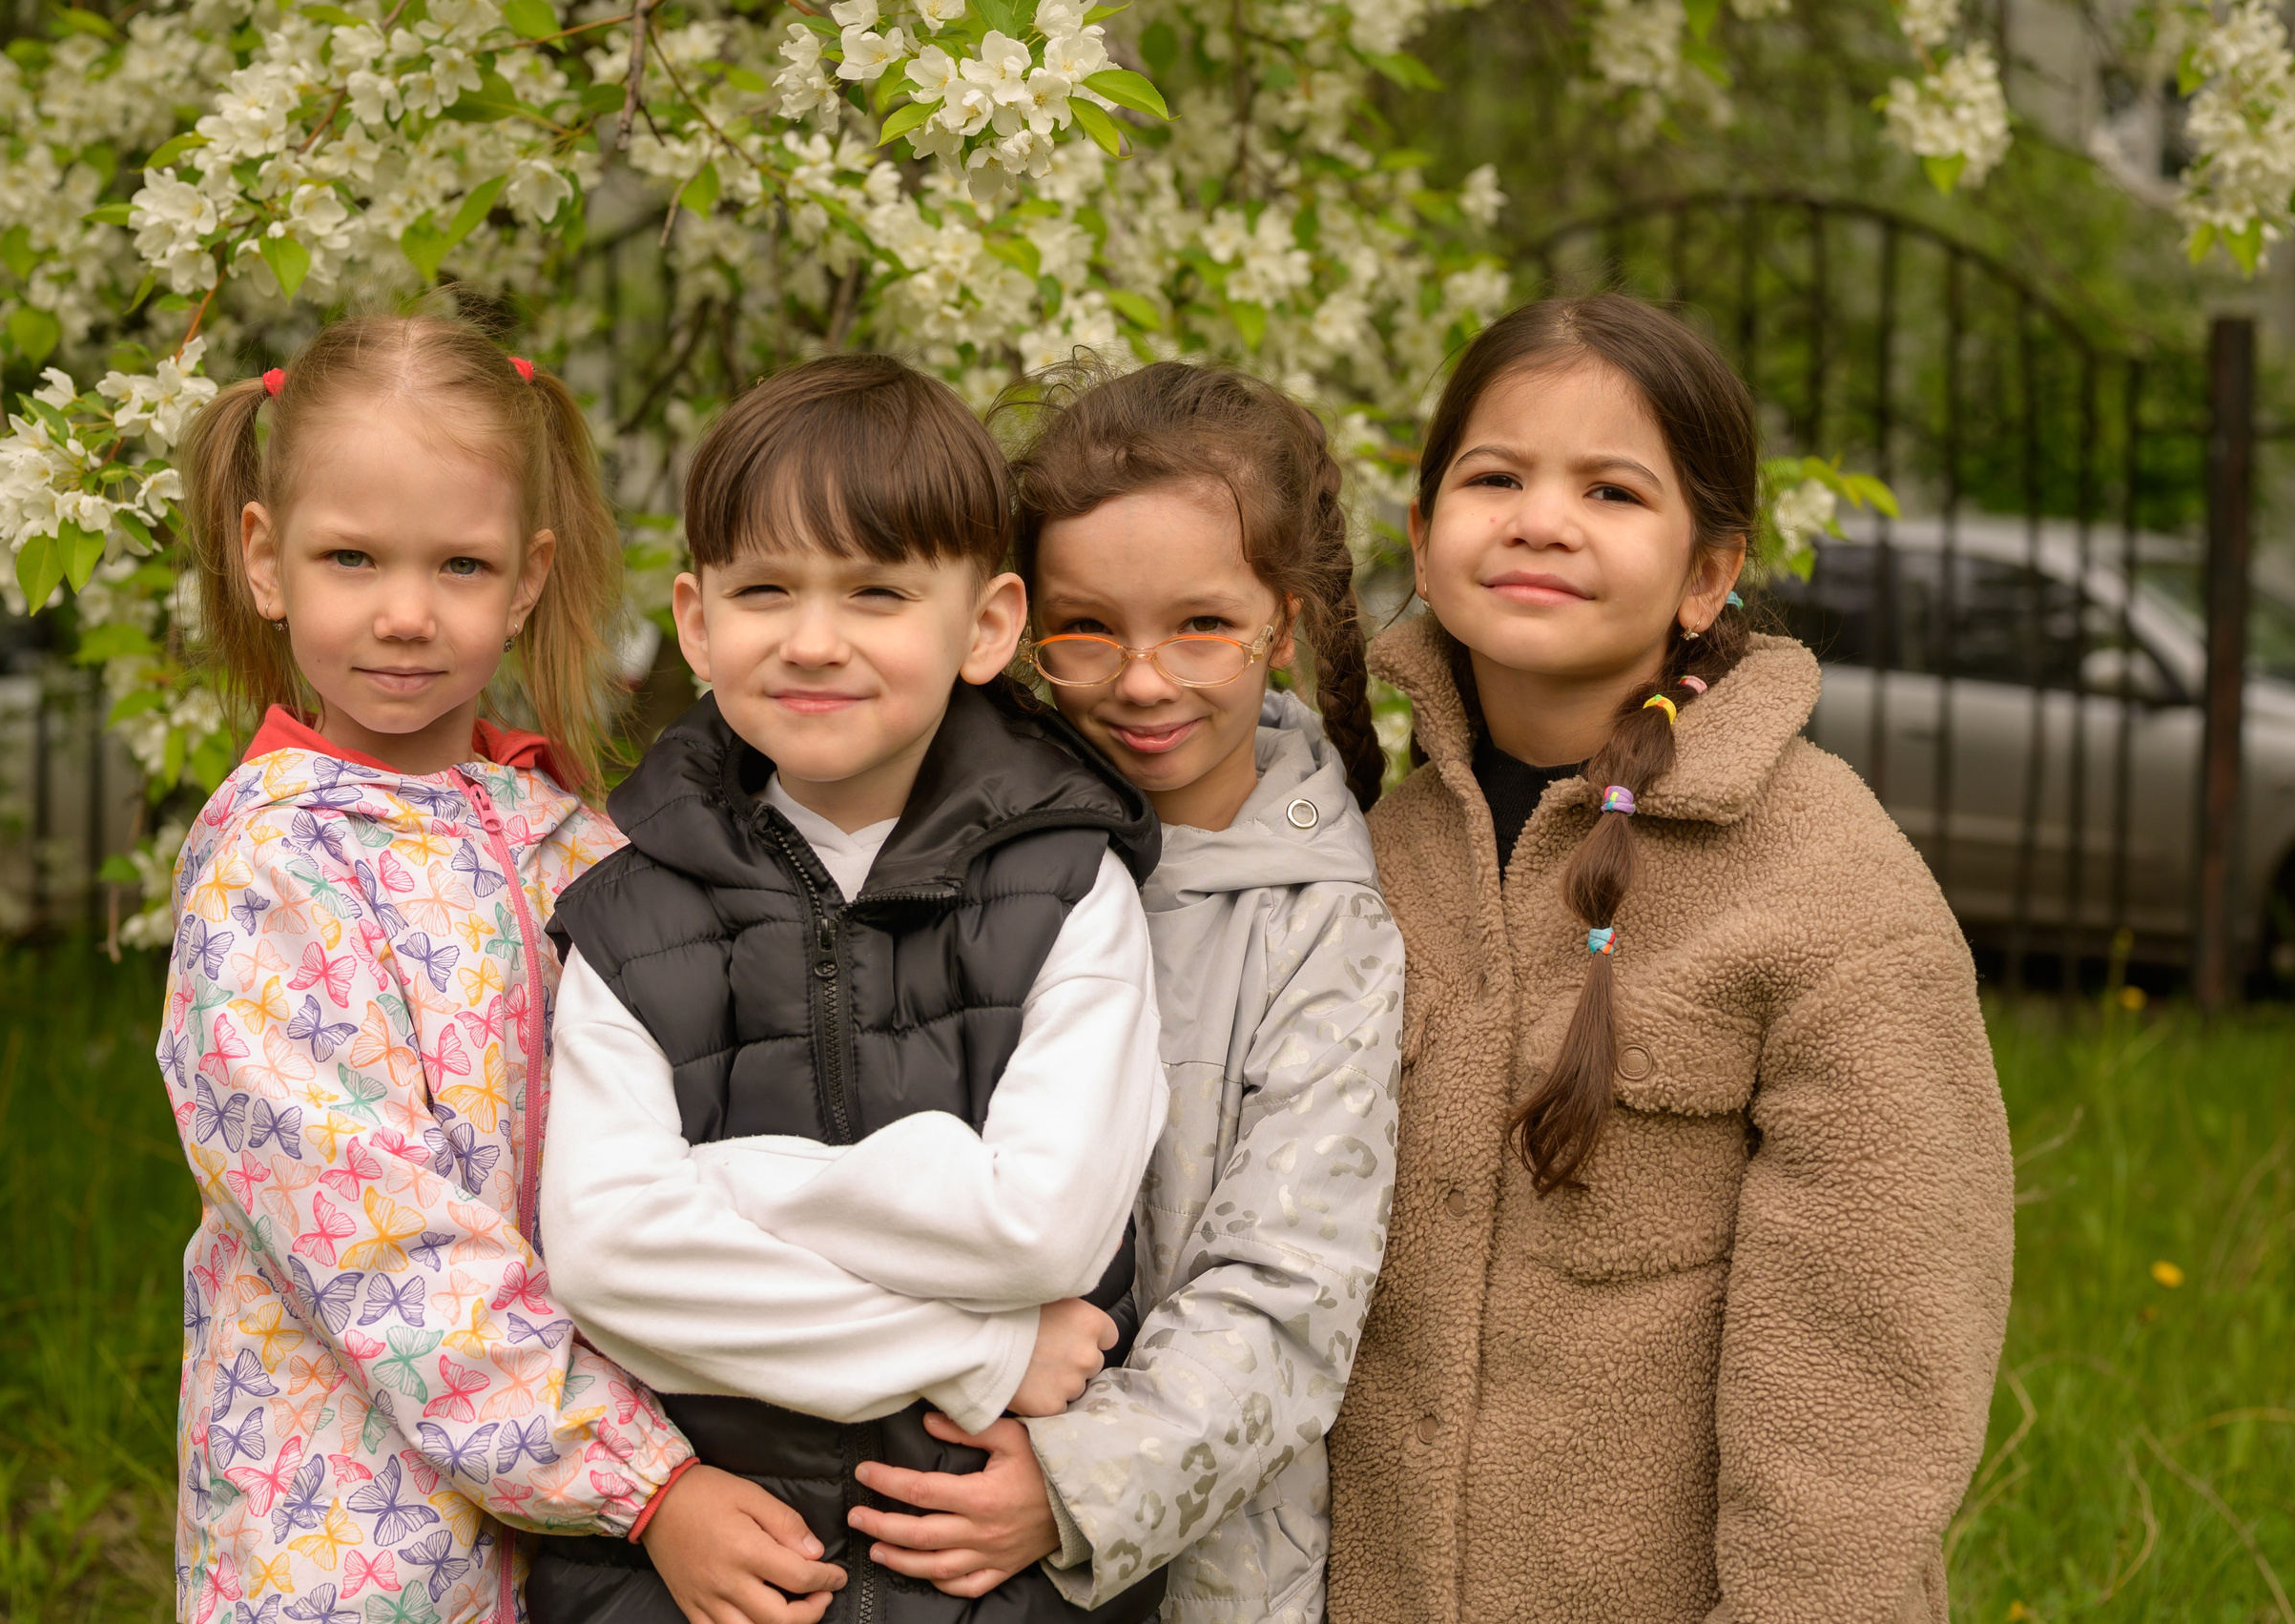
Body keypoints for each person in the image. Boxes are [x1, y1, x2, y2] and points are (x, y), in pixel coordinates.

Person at [1327, 295, 2016, 1624]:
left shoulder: (1830, 889)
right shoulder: (1366, 856)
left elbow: (1869, 1374)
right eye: (1496, 476)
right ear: (1422, 539)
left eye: (1612, 489)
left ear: (1708, 576)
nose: (1540, 517)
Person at [529, 354, 1173, 1624]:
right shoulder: (625, 915)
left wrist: (722, 1189)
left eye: (877, 593)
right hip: (709, 1581)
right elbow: (606, 1259)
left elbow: (1041, 1226)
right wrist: (985, 1347)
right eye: (765, 590)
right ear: (697, 620)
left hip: (990, 1581)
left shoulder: (1068, 891)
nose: (813, 641)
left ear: (987, 626)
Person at [836, 362, 1405, 1624]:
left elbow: (1292, 1286)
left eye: (1203, 624)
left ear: (1287, 623)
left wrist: (1077, 1485)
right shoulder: (945, 844)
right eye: (1086, 628)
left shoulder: (1326, 926)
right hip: (920, 1521)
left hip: (1194, 1567)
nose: (1143, 683)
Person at [155, 314, 700, 1623]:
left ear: (525, 580)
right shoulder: (275, 870)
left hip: (571, 1532)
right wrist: (642, 1480)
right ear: (266, 559)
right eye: (353, 559)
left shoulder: (565, 834)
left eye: (460, 564)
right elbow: (380, 1247)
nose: (406, 613)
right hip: (342, 1538)